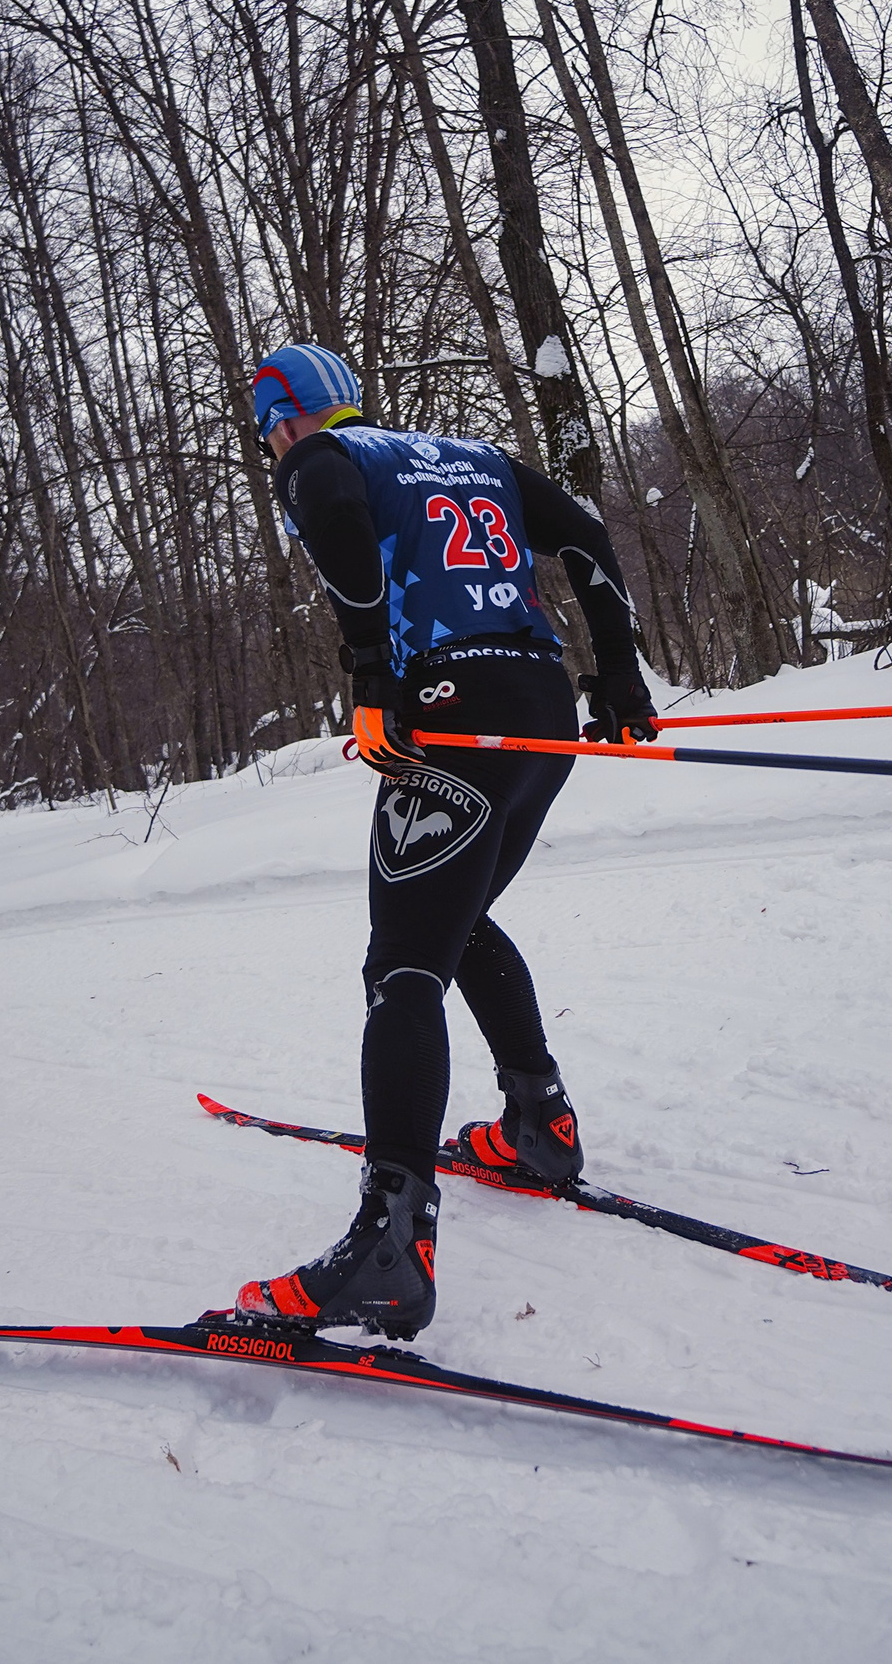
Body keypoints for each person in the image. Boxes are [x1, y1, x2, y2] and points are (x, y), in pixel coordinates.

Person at [233, 341, 658, 1339]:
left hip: (451, 709)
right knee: (457, 923)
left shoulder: (317, 460)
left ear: (288, 417)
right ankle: (537, 1128)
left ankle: (389, 1244)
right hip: (539, 709)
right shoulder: (472, 457)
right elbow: (588, 536)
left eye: (268, 431)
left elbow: (333, 512)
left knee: (403, 965)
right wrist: (621, 676)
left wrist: (372, 680)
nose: (273, 449)